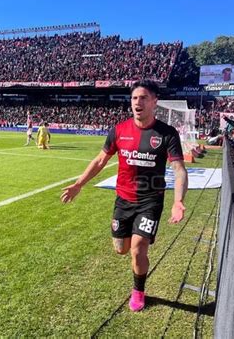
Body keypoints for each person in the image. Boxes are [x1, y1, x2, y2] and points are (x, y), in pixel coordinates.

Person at [60, 80, 188, 312]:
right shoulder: (119, 130)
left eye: (143, 98)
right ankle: (138, 239)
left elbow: (179, 170)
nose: (138, 102)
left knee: (138, 250)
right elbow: (100, 160)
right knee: (121, 249)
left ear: (154, 102)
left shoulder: (167, 133)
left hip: (150, 200)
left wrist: (178, 201)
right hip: (123, 200)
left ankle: (138, 291)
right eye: (134, 98)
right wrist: (79, 184)